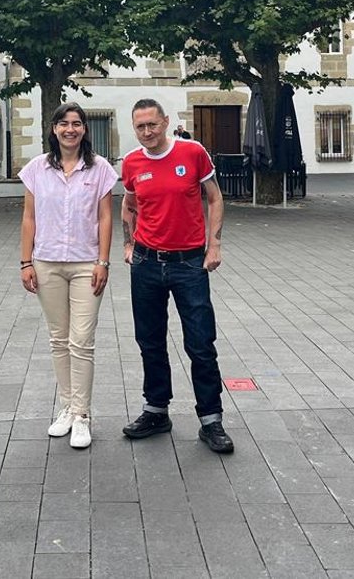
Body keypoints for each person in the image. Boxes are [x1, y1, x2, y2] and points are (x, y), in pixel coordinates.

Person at [120, 98, 233, 454]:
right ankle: (156, 410)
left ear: (166, 122)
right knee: (149, 340)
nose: (147, 132)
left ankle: (211, 419)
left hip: (189, 264)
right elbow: (129, 204)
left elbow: (215, 198)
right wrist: (128, 243)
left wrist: (214, 245)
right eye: (140, 127)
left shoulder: (192, 152)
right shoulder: (132, 162)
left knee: (200, 342)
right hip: (146, 263)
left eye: (152, 124)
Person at [19, 102, 117, 449]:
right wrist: (26, 262)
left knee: (81, 341)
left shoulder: (100, 169)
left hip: (86, 264)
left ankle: (82, 415)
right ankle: (67, 408)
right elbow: (29, 217)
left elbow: (105, 218)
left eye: (76, 123)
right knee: (59, 340)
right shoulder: (36, 169)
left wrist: (103, 261)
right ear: (54, 129)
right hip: (47, 263)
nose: (70, 129)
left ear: (85, 129)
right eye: (64, 123)